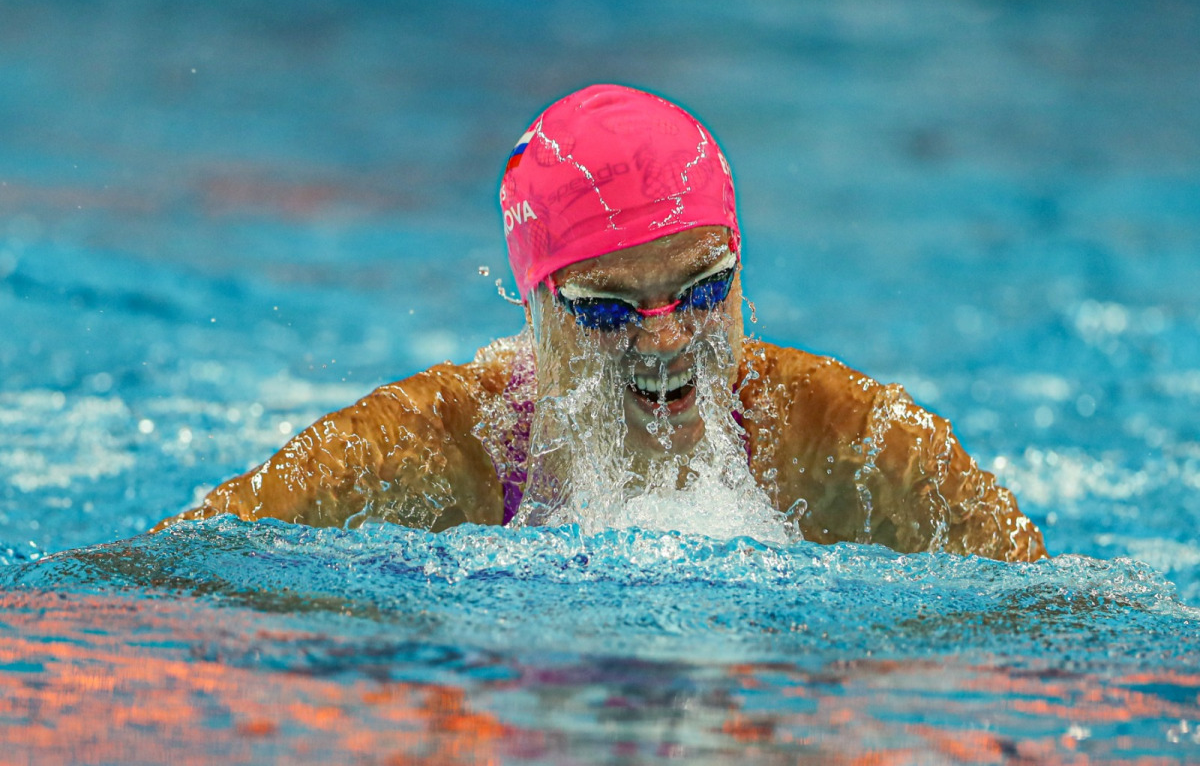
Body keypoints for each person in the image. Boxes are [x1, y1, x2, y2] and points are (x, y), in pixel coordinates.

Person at [155, 84, 1047, 562]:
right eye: (609, 309)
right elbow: (168, 580)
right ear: (536, 309)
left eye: (702, 291)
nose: (664, 341)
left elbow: (1063, 621)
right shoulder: (425, 456)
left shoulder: (845, 440)